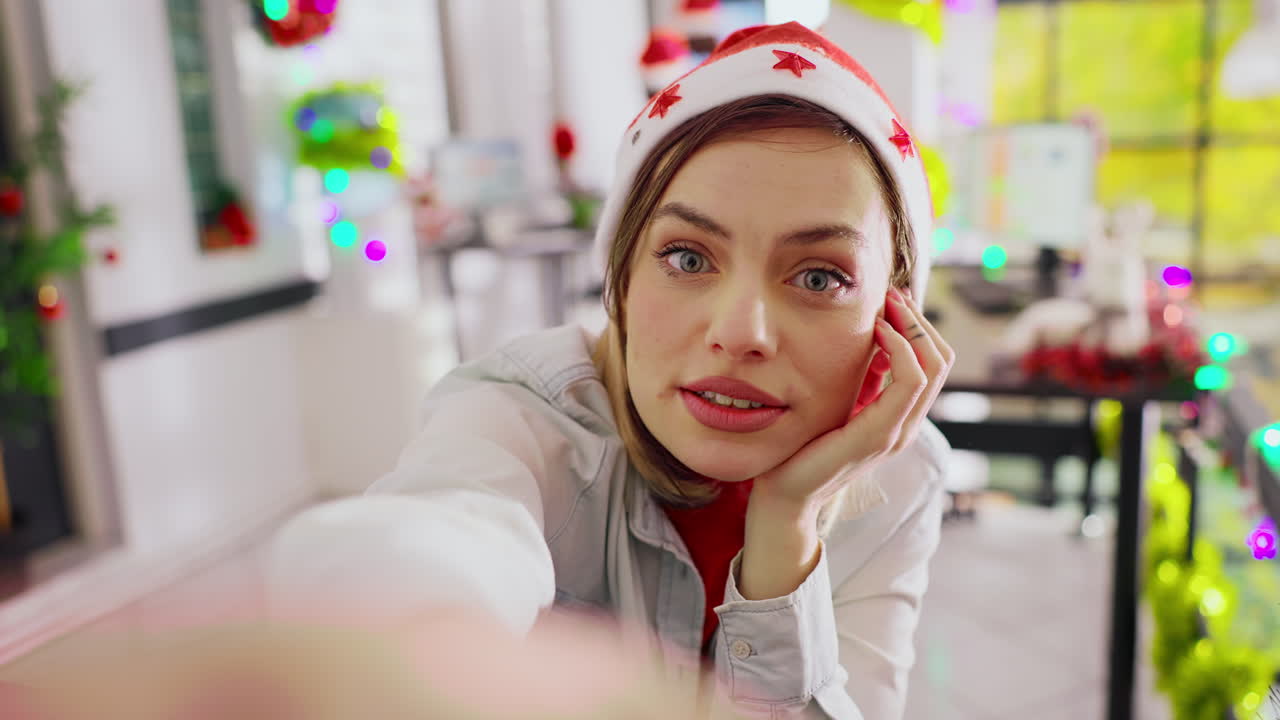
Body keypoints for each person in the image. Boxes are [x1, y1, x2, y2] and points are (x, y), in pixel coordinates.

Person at [266, 21, 955, 720]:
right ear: (620, 280)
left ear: (896, 317)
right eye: (688, 258)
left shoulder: (902, 475)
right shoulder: (523, 418)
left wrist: (789, 522)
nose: (740, 332)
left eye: (818, 276)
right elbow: (444, 528)